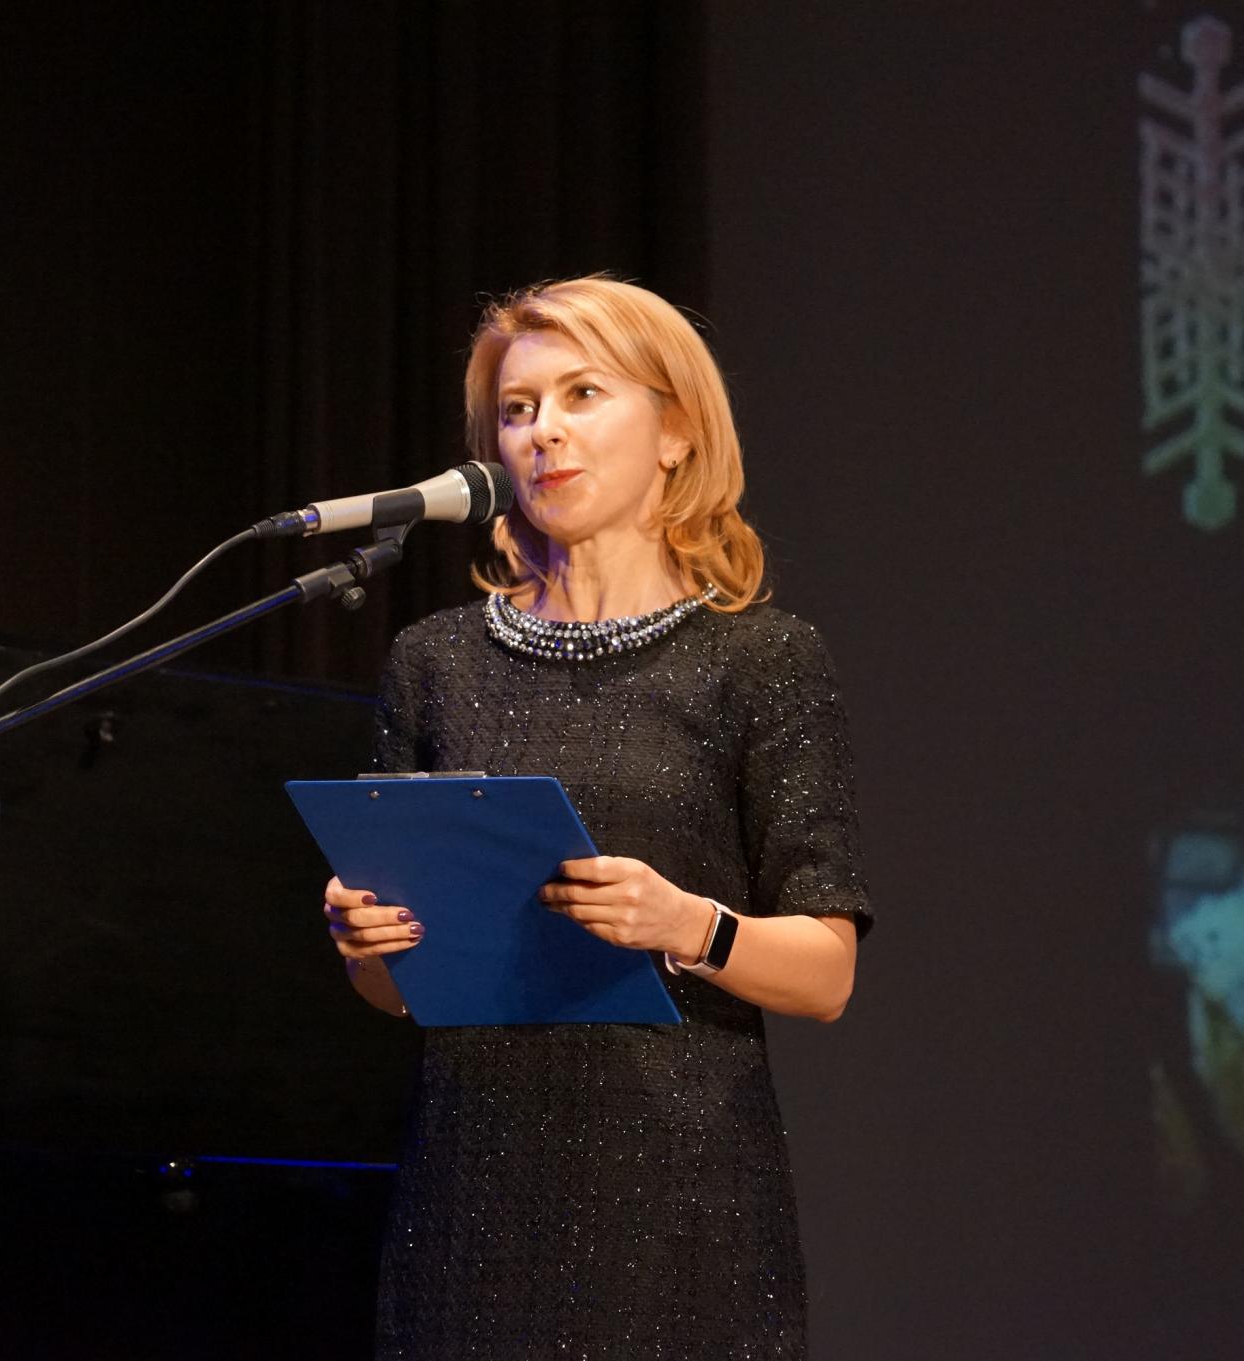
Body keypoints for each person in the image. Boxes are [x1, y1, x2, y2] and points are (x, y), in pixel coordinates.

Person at [319, 275, 871, 1359]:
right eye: (517, 409)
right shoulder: (434, 661)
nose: (543, 431)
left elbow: (827, 974)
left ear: (674, 431)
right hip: (471, 1198)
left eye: (582, 394)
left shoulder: (760, 660)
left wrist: (687, 924)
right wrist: (365, 942)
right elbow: (395, 992)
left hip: (680, 1197)